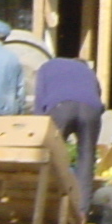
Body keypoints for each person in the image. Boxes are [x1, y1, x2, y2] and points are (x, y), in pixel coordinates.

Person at [32, 54, 104, 209]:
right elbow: (98, 97)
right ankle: (81, 212)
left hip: (61, 107)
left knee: (53, 156)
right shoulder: (88, 72)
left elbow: (39, 99)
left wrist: (39, 126)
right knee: (87, 159)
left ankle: (50, 206)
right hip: (91, 110)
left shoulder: (48, 66)